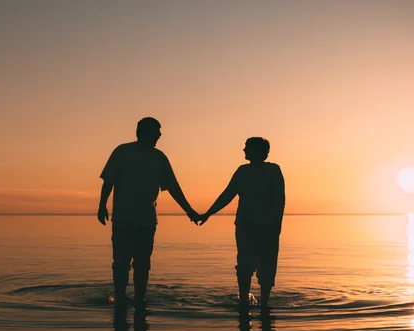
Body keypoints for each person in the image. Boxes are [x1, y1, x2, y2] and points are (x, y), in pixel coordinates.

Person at [98, 117, 199, 305]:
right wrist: (101, 205)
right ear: (142, 132)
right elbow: (109, 181)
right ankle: (120, 295)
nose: (160, 135)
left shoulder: (159, 158)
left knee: (142, 263)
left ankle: (139, 298)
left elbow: (173, 188)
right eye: (156, 131)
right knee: (121, 261)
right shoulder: (122, 152)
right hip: (123, 218)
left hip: (147, 220)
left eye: (159, 132)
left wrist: (189, 211)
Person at [199, 137, 285, 309]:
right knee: (247, 265)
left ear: (260, 151)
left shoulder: (273, 170)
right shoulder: (243, 171)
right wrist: (208, 213)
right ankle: (245, 300)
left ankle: (263, 303)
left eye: (247, 148)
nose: (244, 150)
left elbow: (280, 200)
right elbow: (228, 195)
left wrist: (277, 224)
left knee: (265, 264)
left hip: (265, 226)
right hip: (247, 226)